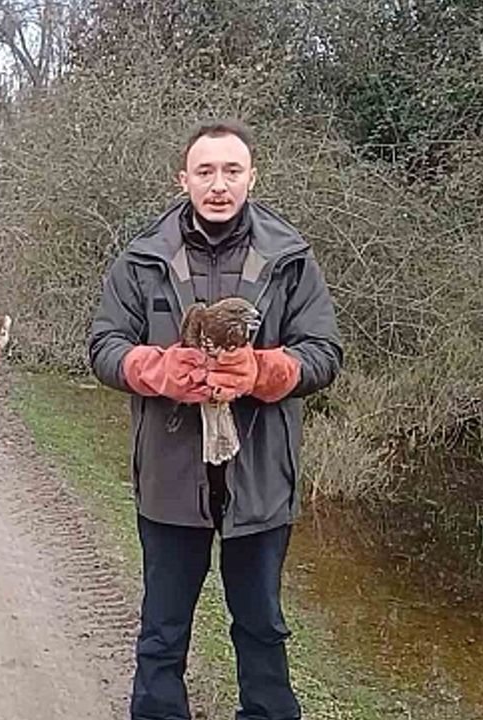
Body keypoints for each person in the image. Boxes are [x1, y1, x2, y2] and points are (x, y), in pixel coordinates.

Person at [88, 120, 343, 720]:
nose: (219, 184)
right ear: (184, 179)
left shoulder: (291, 258)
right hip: (171, 477)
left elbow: (324, 353)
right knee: (162, 633)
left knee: (261, 629)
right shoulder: (142, 257)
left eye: (232, 171)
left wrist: (265, 372)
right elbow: (103, 345)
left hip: (260, 478)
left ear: (253, 176)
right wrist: (158, 370)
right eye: (206, 171)